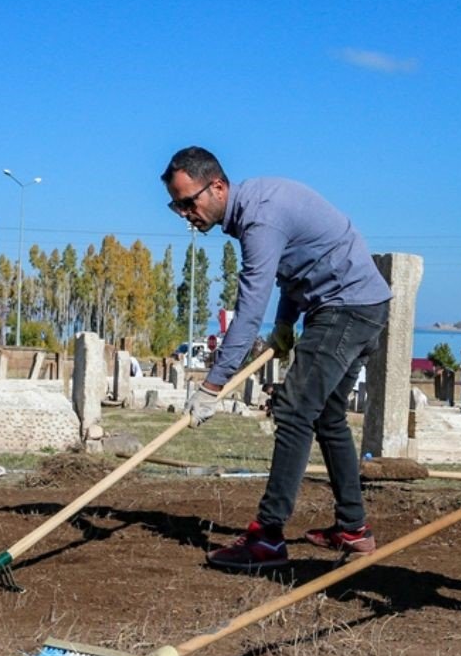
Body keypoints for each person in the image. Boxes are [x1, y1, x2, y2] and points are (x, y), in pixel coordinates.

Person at [162, 146, 393, 570]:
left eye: (187, 201)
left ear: (216, 187)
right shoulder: (257, 208)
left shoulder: (259, 220)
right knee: (327, 415)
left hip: (345, 307)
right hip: (362, 305)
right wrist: (285, 324)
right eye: (176, 205)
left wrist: (213, 385)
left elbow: (248, 311)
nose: (183, 213)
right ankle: (353, 529)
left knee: (293, 409)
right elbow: (296, 270)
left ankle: (267, 537)